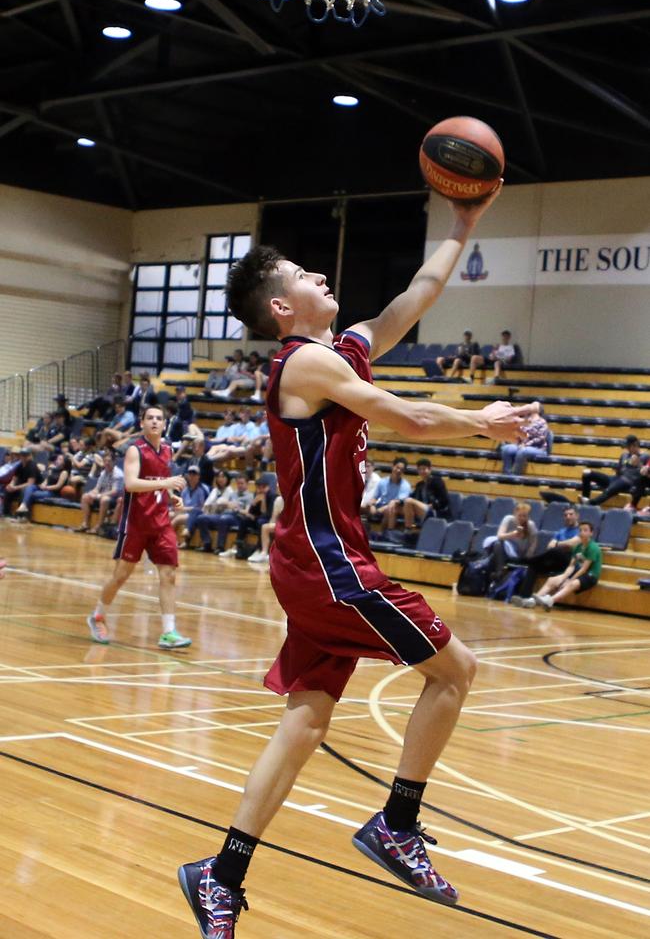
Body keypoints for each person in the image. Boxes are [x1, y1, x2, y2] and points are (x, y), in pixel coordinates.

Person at [177, 185, 537, 937]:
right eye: (307, 275)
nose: (322, 279)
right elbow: (404, 414)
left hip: (317, 561)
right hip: (329, 567)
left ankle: (221, 871)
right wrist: (483, 423)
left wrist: (462, 225)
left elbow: (416, 296)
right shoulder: (302, 365)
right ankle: (396, 824)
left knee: (304, 723)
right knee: (456, 669)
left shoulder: (339, 350)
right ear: (283, 308)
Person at [86, 406, 191, 650]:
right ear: (142, 423)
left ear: (164, 424)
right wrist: (165, 483)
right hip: (136, 524)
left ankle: (168, 632)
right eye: (150, 418)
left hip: (161, 523)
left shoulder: (167, 449)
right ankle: (97, 616)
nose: (155, 422)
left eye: (159, 418)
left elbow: (159, 482)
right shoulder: (135, 450)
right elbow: (131, 484)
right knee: (121, 576)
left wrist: (171, 495)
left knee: (169, 574)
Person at [511, 505, 581, 605]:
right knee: (534, 566)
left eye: (571, 514)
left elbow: (573, 543)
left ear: (577, 516)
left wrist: (558, 544)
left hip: (570, 563)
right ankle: (524, 598)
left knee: (557, 550)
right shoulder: (561, 531)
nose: (568, 517)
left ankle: (526, 560)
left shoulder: (581, 530)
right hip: (556, 561)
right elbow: (549, 546)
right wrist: (561, 545)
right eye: (565, 515)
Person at [531, 521, 601, 611]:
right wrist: (563, 578)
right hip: (579, 573)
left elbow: (584, 569)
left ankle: (550, 601)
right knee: (552, 580)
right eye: (580, 530)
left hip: (591, 575)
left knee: (572, 583)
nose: (582, 532)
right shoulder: (577, 547)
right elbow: (571, 566)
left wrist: (569, 580)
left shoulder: (593, 547)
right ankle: (533, 600)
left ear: (591, 533)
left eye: (585, 530)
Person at [195, 473, 254, 555]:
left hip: (237, 518)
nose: (239, 485)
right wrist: (225, 504)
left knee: (224, 519)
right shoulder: (233, 494)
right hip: (224, 514)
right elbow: (226, 505)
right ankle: (207, 543)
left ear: (247, 484)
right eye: (238, 483)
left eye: (242, 483)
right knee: (201, 518)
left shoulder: (250, 496)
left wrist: (236, 509)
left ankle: (220, 546)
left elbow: (247, 512)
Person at [581, 434, 647, 506]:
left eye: (629, 447)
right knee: (587, 473)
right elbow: (619, 471)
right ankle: (585, 498)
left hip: (627, 481)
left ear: (635, 445)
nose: (627, 449)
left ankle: (590, 504)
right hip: (616, 479)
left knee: (610, 489)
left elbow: (646, 473)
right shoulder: (624, 455)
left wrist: (639, 464)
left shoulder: (645, 456)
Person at [483, 501, 538, 578]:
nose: (522, 518)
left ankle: (497, 572)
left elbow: (533, 543)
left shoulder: (531, 525)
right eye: (520, 515)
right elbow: (499, 536)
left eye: (524, 516)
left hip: (518, 553)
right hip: (504, 548)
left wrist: (527, 557)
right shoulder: (508, 519)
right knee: (497, 544)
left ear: (528, 516)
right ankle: (497, 572)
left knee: (497, 547)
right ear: (515, 514)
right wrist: (513, 534)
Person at [76, 450, 124, 534]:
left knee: (104, 499)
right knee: (85, 496)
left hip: (114, 499)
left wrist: (99, 495)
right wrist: (92, 493)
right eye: (105, 461)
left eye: (109, 461)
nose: (107, 463)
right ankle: (85, 524)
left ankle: (99, 526)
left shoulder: (118, 474)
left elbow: (114, 491)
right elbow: (97, 488)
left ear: (114, 461)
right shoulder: (103, 473)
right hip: (102, 495)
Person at [14, 452, 71, 517]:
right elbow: (47, 479)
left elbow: (58, 486)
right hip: (45, 489)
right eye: (57, 459)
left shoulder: (64, 472)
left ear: (64, 462)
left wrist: (46, 487)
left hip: (53, 492)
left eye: (60, 459)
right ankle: (23, 507)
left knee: (30, 494)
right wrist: (43, 484)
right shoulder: (53, 469)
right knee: (29, 487)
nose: (57, 460)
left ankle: (23, 515)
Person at [500, 403, 550, 475]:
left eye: (535, 405)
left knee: (523, 451)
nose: (532, 405)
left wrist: (525, 444)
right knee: (506, 449)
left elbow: (540, 438)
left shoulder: (542, 422)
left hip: (538, 448)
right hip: (522, 445)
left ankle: (516, 475)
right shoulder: (525, 420)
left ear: (539, 410)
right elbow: (519, 433)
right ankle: (507, 474)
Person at [403, 457, 451, 527]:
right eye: (420, 469)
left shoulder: (437, 481)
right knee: (397, 506)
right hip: (423, 510)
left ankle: (408, 529)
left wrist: (432, 505)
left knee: (408, 501)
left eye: (424, 469)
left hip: (437, 512)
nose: (422, 471)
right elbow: (413, 498)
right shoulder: (419, 485)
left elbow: (444, 500)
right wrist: (398, 502)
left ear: (430, 469)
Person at [367, 456, 411, 532]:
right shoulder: (382, 482)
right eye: (397, 467)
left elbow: (397, 502)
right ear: (393, 466)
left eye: (401, 469)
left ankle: (383, 533)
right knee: (365, 507)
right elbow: (375, 498)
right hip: (381, 506)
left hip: (395, 509)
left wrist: (380, 510)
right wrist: (372, 505)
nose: (398, 470)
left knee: (390, 508)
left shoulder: (405, 485)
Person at [171, 464, 207, 542]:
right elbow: (180, 503)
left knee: (177, 519)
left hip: (193, 514)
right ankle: (174, 540)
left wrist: (185, 509)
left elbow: (201, 508)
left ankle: (167, 539)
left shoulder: (201, 490)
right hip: (183, 511)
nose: (192, 476)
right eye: (190, 474)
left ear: (198, 476)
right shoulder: (185, 489)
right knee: (169, 515)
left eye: (194, 474)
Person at [3, 449, 41, 517]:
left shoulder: (32, 466)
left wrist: (15, 488)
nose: (23, 457)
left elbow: (30, 483)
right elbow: (14, 479)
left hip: (35, 487)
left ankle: (20, 515)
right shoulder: (19, 465)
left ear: (29, 456)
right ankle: (6, 512)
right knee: (8, 489)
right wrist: (11, 485)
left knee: (23, 491)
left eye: (25, 456)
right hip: (22, 485)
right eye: (22, 455)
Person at [248, 494, 283, 564]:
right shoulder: (278, 500)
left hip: (294, 525)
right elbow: (274, 517)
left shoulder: (295, 497)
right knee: (265, 527)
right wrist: (271, 524)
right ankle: (264, 553)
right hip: (282, 524)